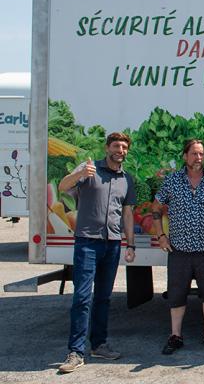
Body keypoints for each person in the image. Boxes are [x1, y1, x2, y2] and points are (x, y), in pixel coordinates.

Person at [57, 132, 137, 374]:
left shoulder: (127, 179)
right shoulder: (89, 169)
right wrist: (80, 174)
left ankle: (99, 345)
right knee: (82, 298)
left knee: (103, 298)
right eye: (116, 146)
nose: (120, 150)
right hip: (87, 242)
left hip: (112, 244)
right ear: (107, 147)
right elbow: (62, 186)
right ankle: (76, 352)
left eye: (124, 147)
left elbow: (128, 214)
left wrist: (130, 244)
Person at [153, 139, 204, 355]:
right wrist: (161, 236)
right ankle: (175, 336)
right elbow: (156, 207)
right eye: (194, 154)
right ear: (185, 156)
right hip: (179, 250)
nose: (198, 158)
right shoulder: (172, 181)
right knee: (177, 294)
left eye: (202, 154)